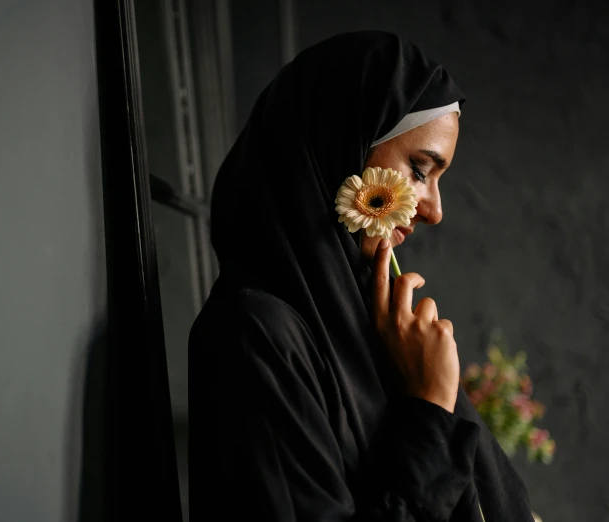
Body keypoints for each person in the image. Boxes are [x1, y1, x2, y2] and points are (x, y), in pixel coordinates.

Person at [188, 31, 534, 521]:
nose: (434, 210)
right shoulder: (254, 337)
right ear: (338, 148)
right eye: (419, 169)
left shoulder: (370, 336)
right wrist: (430, 409)